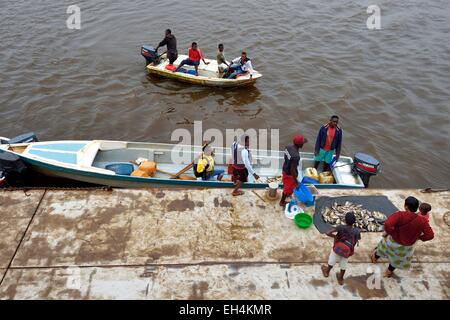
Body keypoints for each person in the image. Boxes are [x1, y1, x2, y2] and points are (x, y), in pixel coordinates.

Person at [370, 196, 434, 277]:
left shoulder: (399, 215)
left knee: (382, 249)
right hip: (406, 247)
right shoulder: (423, 221)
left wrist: (390, 232)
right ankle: (389, 271)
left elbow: (387, 224)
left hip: (393, 241)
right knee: (396, 259)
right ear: (416, 208)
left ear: (406, 206)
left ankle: (374, 258)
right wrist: (419, 238)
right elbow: (430, 235)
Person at [321, 212, 361, 285]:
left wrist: (335, 237)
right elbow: (356, 240)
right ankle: (340, 278)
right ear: (354, 222)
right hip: (347, 252)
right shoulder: (357, 231)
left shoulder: (340, 227)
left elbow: (327, 233)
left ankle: (327, 272)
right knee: (343, 265)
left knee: (332, 260)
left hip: (337, 249)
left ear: (345, 220)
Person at [279, 135, 308, 208]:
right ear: (299, 144)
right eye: (302, 143)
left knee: (288, 186)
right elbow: (292, 170)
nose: (303, 144)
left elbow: (287, 158)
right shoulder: (296, 156)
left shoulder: (288, 147)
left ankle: (288, 193)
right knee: (287, 188)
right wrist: (296, 181)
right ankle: (282, 202)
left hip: (285, 168)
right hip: (289, 174)